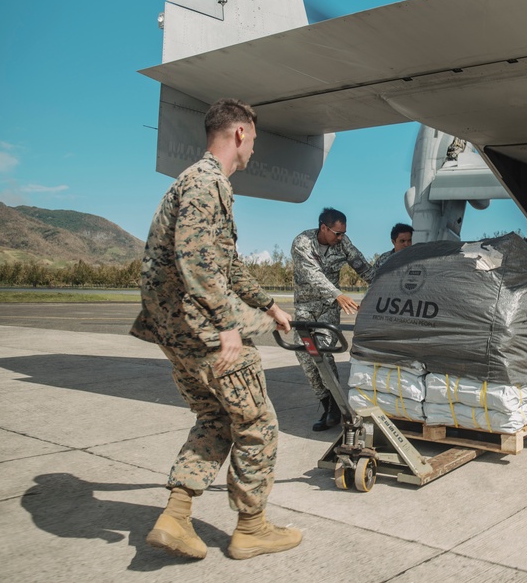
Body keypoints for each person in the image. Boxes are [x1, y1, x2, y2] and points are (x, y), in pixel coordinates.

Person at [130, 98, 301, 561]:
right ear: (241, 133)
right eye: (254, 141)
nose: (253, 152)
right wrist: (228, 325)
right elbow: (195, 257)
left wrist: (270, 307)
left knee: (215, 419)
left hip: (177, 334)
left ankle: (176, 517)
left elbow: (226, 262)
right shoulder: (207, 184)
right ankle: (251, 528)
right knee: (257, 424)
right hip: (206, 334)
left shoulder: (194, 183)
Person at [291, 208, 376, 430]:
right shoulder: (302, 242)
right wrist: (338, 294)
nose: (340, 238)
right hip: (305, 308)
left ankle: (336, 408)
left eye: (343, 233)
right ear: (323, 228)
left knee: (323, 353)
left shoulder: (343, 243)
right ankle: (326, 402)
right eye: (337, 233)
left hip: (328, 308)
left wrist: (384, 286)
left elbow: (363, 268)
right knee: (306, 357)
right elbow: (313, 274)